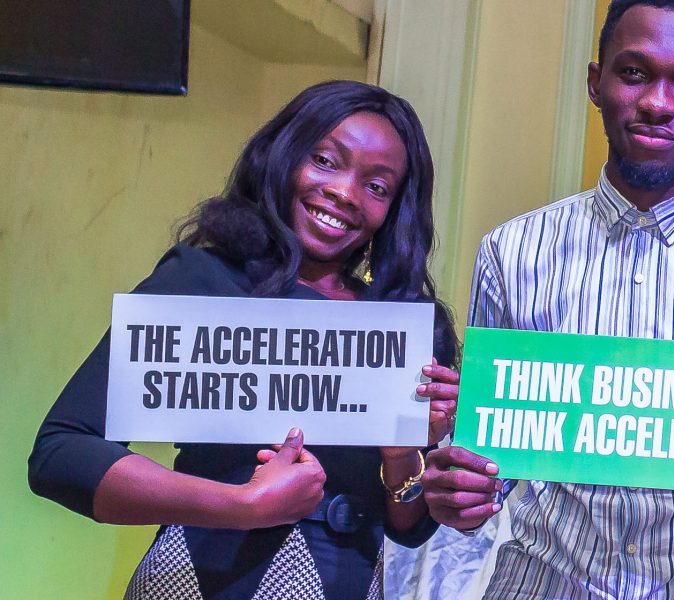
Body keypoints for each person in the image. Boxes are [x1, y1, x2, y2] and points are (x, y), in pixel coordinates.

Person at [414, 0, 674, 597]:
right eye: (634, 73)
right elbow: (493, 451)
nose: (658, 102)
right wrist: (466, 487)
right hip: (542, 582)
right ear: (596, 83)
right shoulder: (510, 254)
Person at [28, 79, 463, 599]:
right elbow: (60, 454)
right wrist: (241, 506)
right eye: (325, 161)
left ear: (395, 211)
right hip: (196, 580)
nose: (345, 193)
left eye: (377, 187)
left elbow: (407, 528)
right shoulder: (205, 282)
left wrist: (402, 454)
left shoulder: (403, 329)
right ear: (283, 156)